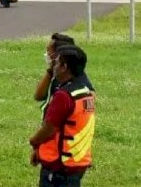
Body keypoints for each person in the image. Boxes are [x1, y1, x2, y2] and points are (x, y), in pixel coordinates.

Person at [30, 45, 95, 186]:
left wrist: (34, 142)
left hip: (59, 168)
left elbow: (49, 128)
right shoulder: (85, 92)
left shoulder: (64, 96)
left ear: (64, 67)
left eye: (57, 62)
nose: (54, 66)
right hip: (77, 164)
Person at [34, 33, 95, 119]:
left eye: (49, 50)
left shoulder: (75, 76)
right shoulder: (55, 73)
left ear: (59, 54)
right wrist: (50, 71)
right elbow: (38, 96)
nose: (46, 54)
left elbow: (90, 96)